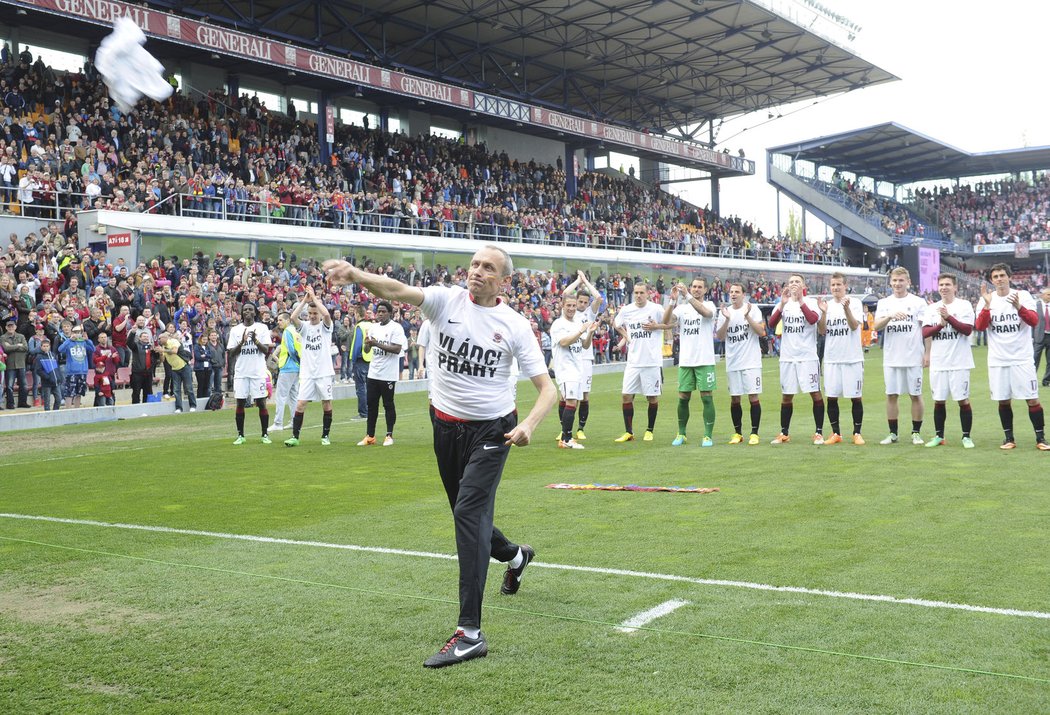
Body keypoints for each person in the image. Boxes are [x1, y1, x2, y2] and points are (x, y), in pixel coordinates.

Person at [323, 245, 556, 669]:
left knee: (469, 513)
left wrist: (529, 426)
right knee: (468, 515)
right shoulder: (445, 300)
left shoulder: (515, 325)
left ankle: (469, 633)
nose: (477, 272)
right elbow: (398, 291)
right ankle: (516, 556)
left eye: (488, 268)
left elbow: (547, 389)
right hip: (445, 426)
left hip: (493, 431)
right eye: (474, 265)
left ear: (504, 280)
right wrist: (357, 275)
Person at [975, 263, 1049, 450]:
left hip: (1022, 358)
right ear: (991, 280)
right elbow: (980, 327)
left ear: (1009, 277)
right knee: (1003, 399)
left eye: (1002, 275)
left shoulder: (1022, 295)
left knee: (1032, 398)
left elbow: (1033, 321)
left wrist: (1019, 307)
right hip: (998, 360)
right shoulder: (986, 299)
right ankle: (1009, 438)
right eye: (995, 277)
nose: (999, 279)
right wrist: (987, 305)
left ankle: (1041, 439)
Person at [767, 274, 825, 445]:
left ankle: (818, 432)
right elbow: (771, 324)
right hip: (787, 357)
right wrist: (783, 304)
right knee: (786, 396)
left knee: (815, 393)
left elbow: (813, 319)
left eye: (797, 282)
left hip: (807, 357)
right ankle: (784, 432)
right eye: (791, 282)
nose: (794, 284)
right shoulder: (782, 304)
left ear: (803, 285)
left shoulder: (812, 303)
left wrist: (800, 301)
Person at [873, 267, 927, 445]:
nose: (897, 284)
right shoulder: (884, 303)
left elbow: (926, 329)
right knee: (891, 395)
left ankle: (916, 432)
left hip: (913, 356)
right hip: (892, 357)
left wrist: (927, 353)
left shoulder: (918, 302)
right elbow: (876, 326)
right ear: (890, 282)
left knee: (915, 395)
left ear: (908, 282)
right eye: (895, 281)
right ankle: (893, 433)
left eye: (901, 280)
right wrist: (890, 316)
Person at [921, 274, 975, 448]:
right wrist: (940, 325)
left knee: (962, 399)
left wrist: (949, 317)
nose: (944, 287)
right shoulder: (932, 308)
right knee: (939, 399)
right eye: (941, 284)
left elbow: (967, 330)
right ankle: (939, 436)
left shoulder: (964, 305)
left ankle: (966, 436)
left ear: (955, 287)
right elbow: (925, 333)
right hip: (939, 362)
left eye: (948, 284)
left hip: (960, 361)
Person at [662, 278, 717, 447]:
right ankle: (681, 433)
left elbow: (705, 313)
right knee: (683, 398)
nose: (696, 289)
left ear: (706, 290)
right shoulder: (682, 308)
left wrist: (687, 295)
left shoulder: (710, 305)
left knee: (706, 398)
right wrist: (672, 301)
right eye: (694, 286)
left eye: (700, 287)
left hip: (705, 359)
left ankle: (707, 435)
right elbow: (666, 322)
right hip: (686, 360)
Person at [612, 281, 665, 442]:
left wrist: (657, 326)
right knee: (626, 396)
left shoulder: (656, 309)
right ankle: (629, 432)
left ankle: (649, 430)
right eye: (636, 292)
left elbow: (670, 323)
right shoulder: (627, 310)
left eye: (642, 292)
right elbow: (616, 324)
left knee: (652, 397)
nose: (638, 295)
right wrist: (626, 336)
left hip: (651, 361)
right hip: (633, 361)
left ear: (648, 293)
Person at [817, 272, 865, 445]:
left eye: (839, 284)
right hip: (832, 359)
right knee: (831, 396)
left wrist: (846, 309)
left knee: (856, 397)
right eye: (833, 285)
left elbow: (853, 326)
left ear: (845, 286)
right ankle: (836, 433)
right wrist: (822, 313)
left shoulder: (855, 303)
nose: (836, 288)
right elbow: (822, 331)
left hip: (852, 358)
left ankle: (857, 432)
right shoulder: (827, 306)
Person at [284, 286, 335, 447]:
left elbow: (326, 314)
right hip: (307, 373)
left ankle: (325, 436)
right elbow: (292, 317)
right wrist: (305, 301)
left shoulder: (326, 327)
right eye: (310, 313)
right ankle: (295, 437)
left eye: (315, 313)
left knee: (326, 403)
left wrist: (315, 299)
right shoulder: (305, 327)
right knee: (300, 404)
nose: (312, 316)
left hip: (323, 372)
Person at [715, 282, 765, 445]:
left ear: (744, 294)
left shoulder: (752, 308)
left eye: (737, 291)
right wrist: (727, 320)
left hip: (751, 361)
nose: (734, 294)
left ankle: (754, 433)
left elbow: (761, 332)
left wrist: (748, 316)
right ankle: (737, 433)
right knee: (735, 399)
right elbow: (720, 337)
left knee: (753, 396)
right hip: (733, 362)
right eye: (731, 292)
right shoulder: (725, 312)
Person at [549, 294, 597, 449]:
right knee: (571, 402)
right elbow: (563, 342)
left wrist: (589, 332)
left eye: (573, 306)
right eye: (568, 305)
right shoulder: (558, 324)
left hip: (577, 369)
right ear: (562, 306)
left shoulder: (577, 323)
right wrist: (580, 331)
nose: (571, 309)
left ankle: (565, 437)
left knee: (571, 401)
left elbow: (585, 345)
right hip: (565, 369)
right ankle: (567, 438)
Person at [563, 270, 606, 440]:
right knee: (566, 395)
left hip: (585, 357)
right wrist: (577, 281)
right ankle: (564, 429)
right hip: (569, 357)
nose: (580, 304)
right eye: (579, 301)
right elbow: (566, 293)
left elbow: (599, 298)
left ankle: (580, 428)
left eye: (584, 302)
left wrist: (586, 281)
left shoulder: (589, 313)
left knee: (585, 394)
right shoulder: (568, 312)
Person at [357, 300, 406, 446]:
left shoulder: (396, 328)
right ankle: (370, 436)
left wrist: (376, 343)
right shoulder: (373, 328)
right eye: (378, 311)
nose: (380, 314)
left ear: (390, 313)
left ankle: (389, 435)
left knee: (388, 404)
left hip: (388, 374)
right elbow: (367, 350)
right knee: (371, 405)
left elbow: (397, 349)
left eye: (384, 311)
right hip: (373, 373)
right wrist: (367, 344)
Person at [227, 302, 273, 444]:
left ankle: (264, 434)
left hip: (258, 372)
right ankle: (241, 435)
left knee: (261, 403)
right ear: (242, 313)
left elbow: (266, 351)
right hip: (241, 372)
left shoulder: (262, 328)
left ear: (255, 312)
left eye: (250, 309)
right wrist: (242, 341)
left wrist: (255, 340)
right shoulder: (235, 330)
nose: (247, 311)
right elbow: (231, 353)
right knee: (240, 403)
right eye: (245, 309)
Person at [270, 310, 301, 432]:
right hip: (296, 368)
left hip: (287, 367)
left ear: (288, 320)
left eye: (281, 320)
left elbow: (291, 349)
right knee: (293, 396)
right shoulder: (295, 331)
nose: (278, 322)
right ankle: (294, 421)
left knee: (281, 396)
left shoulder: (287, 332)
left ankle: (278, 423)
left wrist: (295, 359)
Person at [156, 325, 197, 413]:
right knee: (176, 390)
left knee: (189, 388)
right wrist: (160, 353)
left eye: (160, 338)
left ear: (165, 337)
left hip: (184, 366)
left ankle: (193, 405)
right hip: (174, 369)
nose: (159, 340)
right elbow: (163, 360)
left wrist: (164, 351)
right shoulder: (163, 348)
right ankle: (179, 408)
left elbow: (174, 351)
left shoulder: (173, 341)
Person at [57, 324, 94, 408]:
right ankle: (68, 410)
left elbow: (92, 349)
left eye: (79, 332)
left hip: (82, 370)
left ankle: (77, 410)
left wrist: (87, 340)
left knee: (79, 393)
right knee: (69, 392)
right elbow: (60, 349)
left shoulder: (84, 342)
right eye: (75, 332)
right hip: (71, 371)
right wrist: (69, 340)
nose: (77, 334)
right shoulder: (69, 342)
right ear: (72, 333)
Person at [348, 305, 373, 418]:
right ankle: (371, 410)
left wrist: (352, 359)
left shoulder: (359, 326)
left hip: (360, 359)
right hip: (371, 359)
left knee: (361, 387)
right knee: (370, 387)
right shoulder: (371, 325)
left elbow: (357, 345)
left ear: (357, 314)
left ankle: (363, 412)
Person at [0, 320, 28, 409]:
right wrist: (18, 345)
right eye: (9, 326)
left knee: (23, 385)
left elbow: (25, 348)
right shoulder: (3, 337)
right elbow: (6, 348)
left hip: (21, 363)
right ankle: (10, 404)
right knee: (9, 386)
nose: (11, 328)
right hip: (10, 364)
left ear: (15, 327)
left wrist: (12, 346)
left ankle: (22, 402)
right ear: (6, 327)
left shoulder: (21, 336)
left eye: (12, 326)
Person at [32, 337, 60, 410]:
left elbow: (57, 368)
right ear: (41, 347)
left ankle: (55, 412)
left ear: (50, 346)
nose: (46, 348)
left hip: (56, 381)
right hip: (47, 383)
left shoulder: (53, 355)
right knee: (47, 401)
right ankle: (47, 414)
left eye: (47, 346)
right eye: (44, 346)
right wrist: (47, 377)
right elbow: (38, 370)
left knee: (58, 399)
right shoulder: (39, 357)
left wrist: (59, 377)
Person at [1035, 287, 1050, 387]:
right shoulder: (1036, 305)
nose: (1049, 296)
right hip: (1038, 337)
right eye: (1048, 294)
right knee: (1034, 359)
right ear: (1043, 295)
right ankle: (1031, 380)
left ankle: (1046, 381)